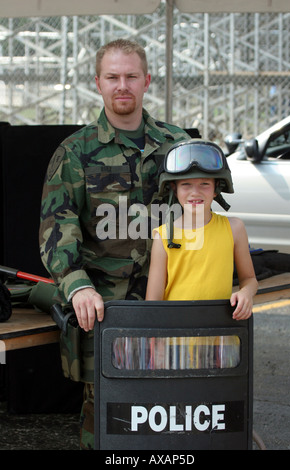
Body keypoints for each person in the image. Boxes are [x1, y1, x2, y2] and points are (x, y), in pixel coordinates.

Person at [39, 39, 189, 449]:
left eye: (130, 76)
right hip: (108, 308)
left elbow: (203, 219)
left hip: (172, 304)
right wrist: (77, 284)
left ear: (147, 81)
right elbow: (57, 227)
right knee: (109, 421)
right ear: (98, 83)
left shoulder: (179, 147)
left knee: (177, 414)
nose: (122, 85)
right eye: (112, 77)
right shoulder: (75, 153)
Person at [146, 139, 258, 320]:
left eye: (204, 184)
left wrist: (246, 293)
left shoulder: (234, 228)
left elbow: (250, 279)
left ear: (216, 189)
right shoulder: (163, 236)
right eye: (186, 185)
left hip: (220, 334)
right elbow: (152, 303)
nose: (195, 192)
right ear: (175, 190)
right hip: (175, 337)